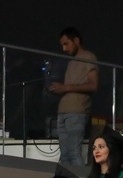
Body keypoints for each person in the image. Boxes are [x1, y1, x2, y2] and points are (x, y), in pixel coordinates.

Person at [47, 27, 97, 166]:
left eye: (66, 43)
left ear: (76, 40)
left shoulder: (88, 57)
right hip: (63, 112)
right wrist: (57, 89)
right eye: (62, 45)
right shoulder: (71, 62)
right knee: (64, 154)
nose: (64, 48)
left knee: (74, 152)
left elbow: (93, 85)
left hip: (77, 112)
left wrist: (65, 87)